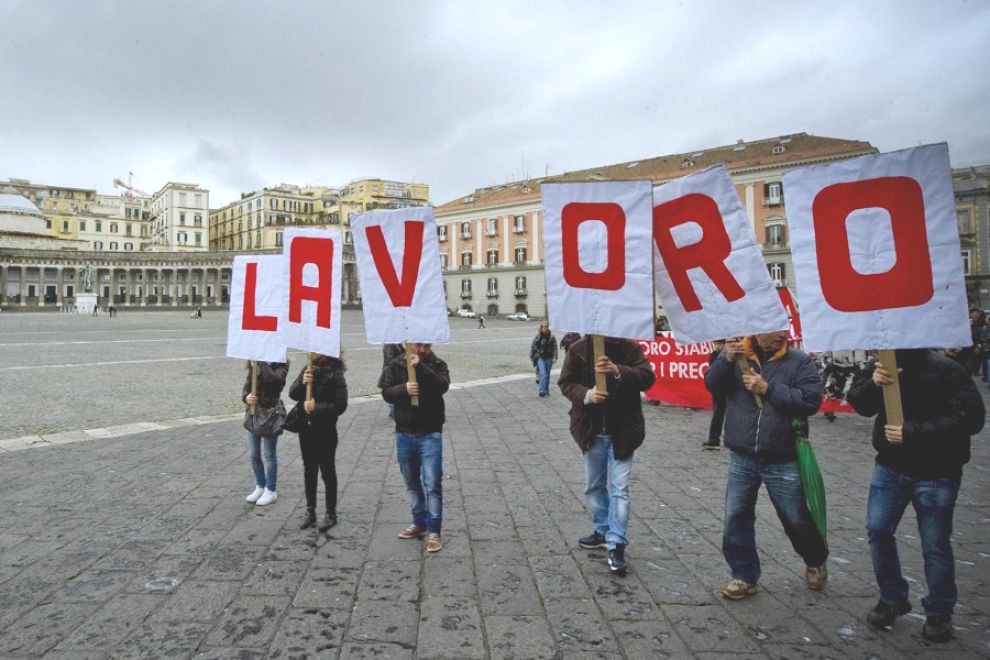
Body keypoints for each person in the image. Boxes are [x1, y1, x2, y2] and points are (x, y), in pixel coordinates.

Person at [847, 349, 985, 642]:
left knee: (934, 544)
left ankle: (939, 611)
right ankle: (892, 598)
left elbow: (971, 418)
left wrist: (912, 431)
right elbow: (860, 404)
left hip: (937, 470)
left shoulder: (947, 369)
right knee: (878, 530)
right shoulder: (881, 364)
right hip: (890, 465)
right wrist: (873, 384)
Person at [703, 331, 828, 599]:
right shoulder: (737, 356)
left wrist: (768, 389)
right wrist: (724, 359)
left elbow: (810, 401)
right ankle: (744, 575)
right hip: (743, 453)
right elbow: (712, 386)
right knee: (736, 516)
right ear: (758, 332)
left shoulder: (799, 361)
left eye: (783, 330)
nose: (781, 335)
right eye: (774, 331)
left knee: (795, 517)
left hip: (782, 454)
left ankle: (815, 558)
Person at [558, 335, 656, 576]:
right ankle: (603, 529)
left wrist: (618, 370)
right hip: (591, 431)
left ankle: (617, 542)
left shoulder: (630, 348)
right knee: (594, 486)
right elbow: (566, 383)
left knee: (619, 489)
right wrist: (587, 395)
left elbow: (647, 378)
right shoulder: (579, 349)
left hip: (623, 431)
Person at [381, 342, 450, 552]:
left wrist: (421, 367)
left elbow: (442, 385)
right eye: (418, 345)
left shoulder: (437, 364)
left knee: (432, 483)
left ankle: (434, 531)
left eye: (426, 346)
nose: (421, 349)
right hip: (404, 432)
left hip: (430, 432)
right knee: (411, 482)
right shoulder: (396, 364)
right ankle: (419, 523)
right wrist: (404, 389)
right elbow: (386, 392)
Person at [289, 353, 348, 531]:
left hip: (325, 430)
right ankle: (310, 510)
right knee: (309, 469)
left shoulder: (335, 374)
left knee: (327, 471)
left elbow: (340, 406)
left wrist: (316, 408)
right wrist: (302, 382)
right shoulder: (308, 369)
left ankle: (331, 513)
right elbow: (293, 394)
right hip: (306, 429)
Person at [242, 361, 289, 507]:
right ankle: (260, 485)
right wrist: (247, 397)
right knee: (253, 454)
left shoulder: (281, 364)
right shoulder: (254, 363)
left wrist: (262, 363)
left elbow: (273, 381)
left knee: (269, 454)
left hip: (270, 415)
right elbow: (247, 387)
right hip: (253, 415)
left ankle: (271, 489)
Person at [703, 339, 727, 449]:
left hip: (730, 389)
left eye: (720, 344)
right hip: (719, 390)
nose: (717, 346)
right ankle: (713, 438)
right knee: (717, 415)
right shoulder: (714, 355)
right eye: (716, 344)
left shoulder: (733, 355)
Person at [529, 320, 558, 397]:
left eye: (546, 326)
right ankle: (542, 391)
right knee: (543, 374)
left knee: (547, 374)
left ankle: (546, 390)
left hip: (549, 357)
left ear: (548, 327)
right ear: (541, 328)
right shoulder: (538, 336)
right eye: (543, 327)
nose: (544, 328)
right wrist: (531, 356)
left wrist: (555, 357)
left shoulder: (552, 337)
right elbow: (533, 346)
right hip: (540, 357)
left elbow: (555, 348)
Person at [379, 343, 404, 418]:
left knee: (397, 391)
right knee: (392, 390)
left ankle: (394, 411)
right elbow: (389, 360)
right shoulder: (389, 343)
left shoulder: (398, 342)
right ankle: (393, 412)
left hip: (397, 372)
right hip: (391, 372)